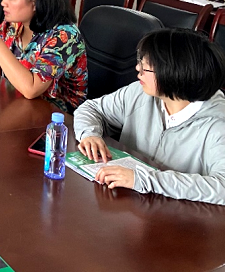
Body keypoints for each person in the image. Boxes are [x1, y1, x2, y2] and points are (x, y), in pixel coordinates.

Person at [74, 29, 225, 206]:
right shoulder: (140, 92)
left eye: (146, 66)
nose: (138, 69)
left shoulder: (218, 125)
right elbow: (91, 109)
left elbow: (222, 187)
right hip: (127, 203)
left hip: (178, 215)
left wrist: (146, 179)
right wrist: (90, 134)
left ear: (174, 74)